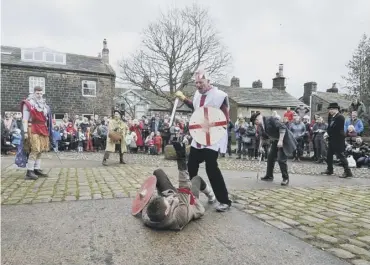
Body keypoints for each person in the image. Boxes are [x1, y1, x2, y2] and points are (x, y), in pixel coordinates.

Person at [175, 67, 231, 212]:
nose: (198, 85)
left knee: (211, 168)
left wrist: (213, 130)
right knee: (191, 168)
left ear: (208, 81)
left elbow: (225, 118)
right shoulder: (197, 95)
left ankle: (224, 201)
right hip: (199, 137)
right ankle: (204, 193)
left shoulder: (219, 95)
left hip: (212, 138)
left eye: (201, 82)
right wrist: (183, 99)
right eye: (197, 83)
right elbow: (196, 109)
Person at [140, 141, 206, 230]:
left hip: (172, 195)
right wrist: (181, 159)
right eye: (167, 201)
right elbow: (184, 187)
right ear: (167, 211)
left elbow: (144, 204)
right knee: (196, 179)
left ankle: (166, 198)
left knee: (158, 172)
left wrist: (145, 194)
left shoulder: (148, 216)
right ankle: (211, 195)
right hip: (190, 203)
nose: (168, 199)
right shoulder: (179, 217)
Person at [16, 86, 53, 180]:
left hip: (42, 128)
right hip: (32, 127)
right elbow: (24, 119)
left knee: (41, 149)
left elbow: (47, 119)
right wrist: (25, 132)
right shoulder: (28, 103)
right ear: (34, 93)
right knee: (35, 149)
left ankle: (36, 169)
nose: (39, 95)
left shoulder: (44, 105)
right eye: (37, 93)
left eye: (41, 93)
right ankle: (29, 171)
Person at [250, 111, 297, 186]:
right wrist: (260, 146)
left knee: (281, 159)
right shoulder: (261, 126)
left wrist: (281, 141)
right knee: (270, 157)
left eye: (255, 121)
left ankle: (285, 178)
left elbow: (282, 127)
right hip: (275, 140)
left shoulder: (270, 119)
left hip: (284, 139)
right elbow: (262, 136)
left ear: (257, 119)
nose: (256, 124)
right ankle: (269, 176)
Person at [321, 102, 353, 178]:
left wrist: (328, 134)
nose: (330, 111)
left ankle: (348, 172)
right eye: (329, 109)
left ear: (336, 109)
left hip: (338, 139)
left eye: (332, 109)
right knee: (329, 155)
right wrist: (327, 133)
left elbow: (337, 129)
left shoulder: (340, 117)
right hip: (332, 139)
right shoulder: (332, 116)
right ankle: (330, 169)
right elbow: (329, 127)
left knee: (340, 155)